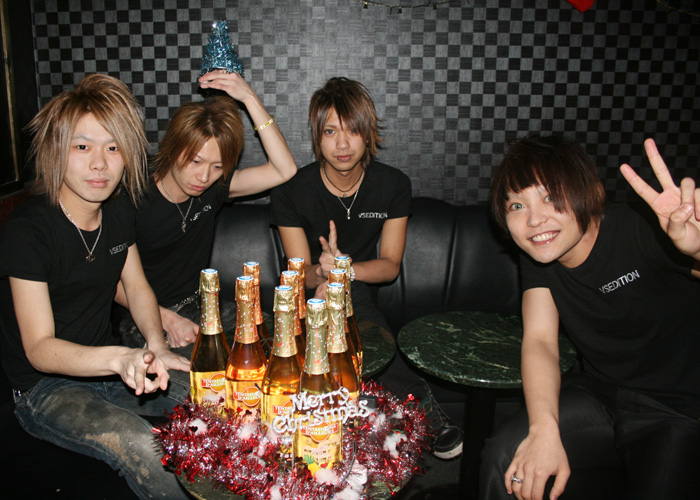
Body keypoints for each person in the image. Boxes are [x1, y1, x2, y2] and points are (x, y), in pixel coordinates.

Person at [0, 74, 191, 499]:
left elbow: (136, 287)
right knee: (146, 447)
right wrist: (119, 358)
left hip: (110, 365)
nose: (100, 164)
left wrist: (156, 346)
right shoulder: (28, 230)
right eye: (82, 147)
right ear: (56, 150)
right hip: (43, 388)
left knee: (217, 397)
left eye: (113, 147)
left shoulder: (118, 211)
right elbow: (39, 348)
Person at [481, 135, 700, 500]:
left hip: (678, 408)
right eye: (517, 205)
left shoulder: (641, 229)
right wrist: (543, 430)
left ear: (589, 192)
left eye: (550, 197)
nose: (534, 219)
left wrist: (696, 248)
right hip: (601, 394)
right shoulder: (541, 252)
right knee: (507, 457)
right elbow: (540, 341)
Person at [269, 77, 463, 460]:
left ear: (368, 133)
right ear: (317, 136)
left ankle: (396, 414)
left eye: (353, 131)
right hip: (305, 296)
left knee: (353, 301)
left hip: (359, 288)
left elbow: (390, 266)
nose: (342, 144)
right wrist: (323, 272)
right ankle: (416, 413)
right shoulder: (291, 190)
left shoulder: (392, 185)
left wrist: (343, 270)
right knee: (330, 305)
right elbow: (298, 273)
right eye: (330, 132)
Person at [116, 71, 297, 351]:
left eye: (217, 166)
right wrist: (165, 319)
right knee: (204, 375)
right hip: (144, 317)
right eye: (195, 161)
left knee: (285, 341)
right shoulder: (133, 192)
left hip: (202, 306)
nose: (204, 177)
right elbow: (110, 279)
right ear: (172, 147)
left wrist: (249, 98)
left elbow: (284, 169)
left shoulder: (215, 187)